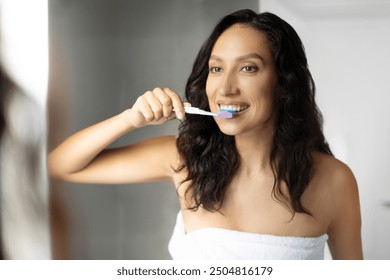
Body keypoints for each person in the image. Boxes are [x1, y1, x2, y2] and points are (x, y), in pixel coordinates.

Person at [48, 9, 363, 260]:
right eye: (216, 69)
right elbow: (60, 165)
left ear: (283, 84)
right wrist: (130, 119)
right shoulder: (183, 158)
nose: (225, 89)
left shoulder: (334, 180)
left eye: (248, 68)